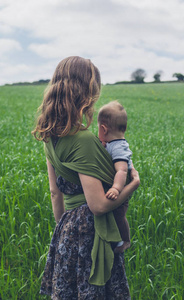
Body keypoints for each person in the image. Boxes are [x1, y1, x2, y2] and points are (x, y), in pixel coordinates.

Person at [32, 56, 140, 299]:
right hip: (91, 234)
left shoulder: (49, 135)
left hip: (67, 228)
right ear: (85, 94)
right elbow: (99, 205)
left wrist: (64, 231)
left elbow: (55, 192)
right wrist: (133, 184)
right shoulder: (85, 141)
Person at [97, 101, 133, 253]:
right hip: (117, 184)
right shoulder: (112, 143)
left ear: (103, 129)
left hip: (122, 185)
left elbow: (122, 171)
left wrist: (116, 188)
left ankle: (124, 240)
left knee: (119, 214)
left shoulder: (118, 147)